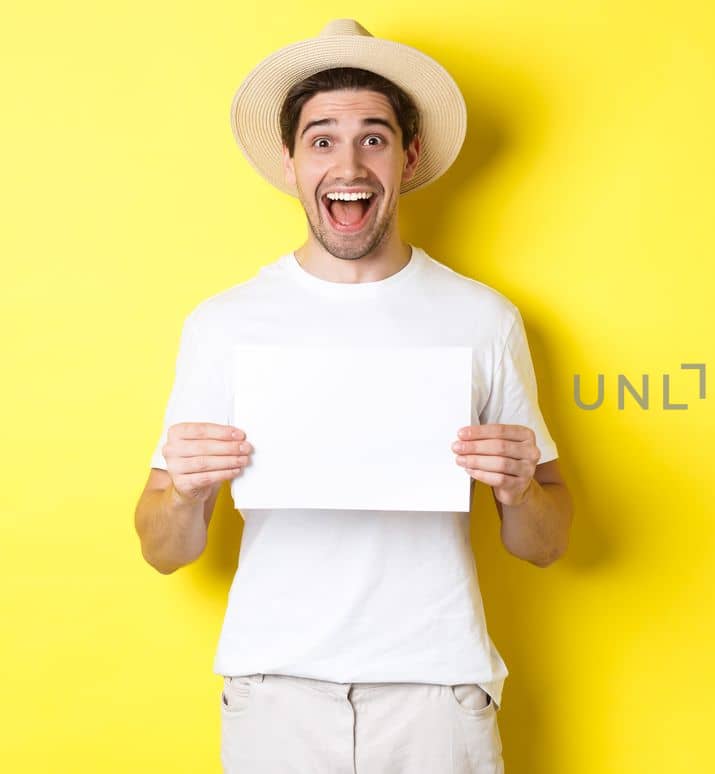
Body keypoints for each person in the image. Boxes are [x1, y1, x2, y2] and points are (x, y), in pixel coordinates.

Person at [130, 19, 574, 773]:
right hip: (274, 696)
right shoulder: (225, 323)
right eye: (322, 138)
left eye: (373, 138)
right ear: (292, 162)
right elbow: (163, 549)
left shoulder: (482, 317)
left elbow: (547, 542)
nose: (349, 161)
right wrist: (182, 493)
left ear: (408, 156)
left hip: (437, 693)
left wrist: (521, 489)